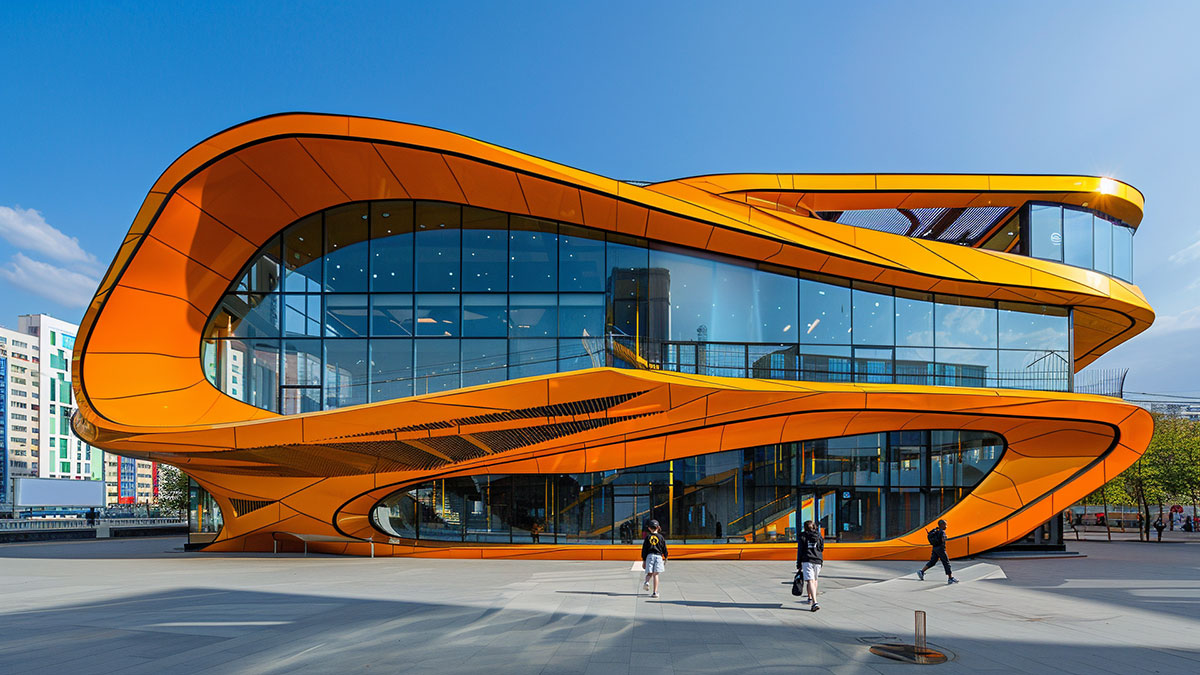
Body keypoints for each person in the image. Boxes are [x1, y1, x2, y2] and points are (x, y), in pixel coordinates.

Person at [917, 519, 959, 584]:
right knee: (946, 562)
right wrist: (945, 538)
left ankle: (921, 571)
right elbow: (943, 540)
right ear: (942, 525)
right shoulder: (942, 532)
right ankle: (950, 578)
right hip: (941, 549)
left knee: (932, 561)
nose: (946, 526)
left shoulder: (936, 530)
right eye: (945, 524)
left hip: (935, 548)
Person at [796, 520, 824, 612]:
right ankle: (810, 598)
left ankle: (815, 602)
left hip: (807, 559)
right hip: (818, 560)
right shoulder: (819, 535)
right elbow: (821, 548)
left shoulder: (802, 536)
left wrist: (798, 563)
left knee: (810, 581)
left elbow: (800, 550)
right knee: (814, 580)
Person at [641, 519, 668, 599]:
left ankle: (646, 582)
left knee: (649, 573)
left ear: (649, 528)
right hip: (658, 556)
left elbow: (644, 549)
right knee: (655, 574)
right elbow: (664, 548)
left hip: (649, 556)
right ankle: (655, 592)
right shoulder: (661, 537)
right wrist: (666, 556)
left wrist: (644, 560)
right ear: (658, 527)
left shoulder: (648, 537)